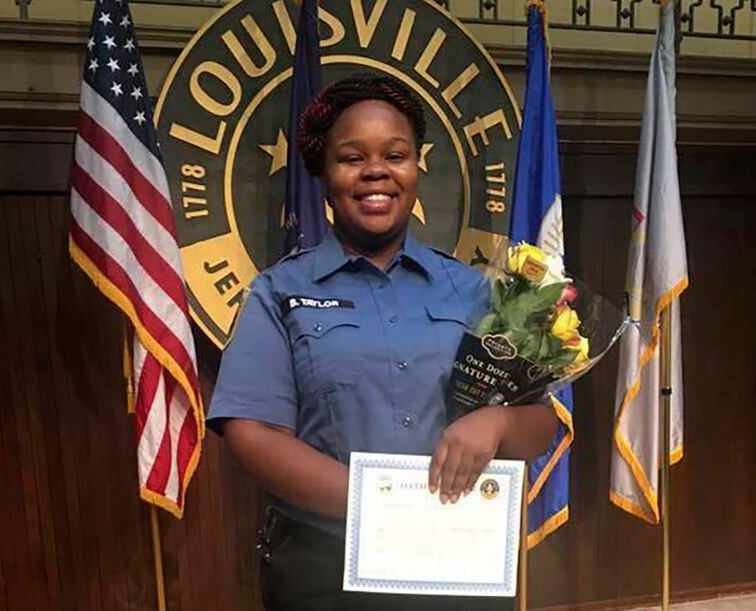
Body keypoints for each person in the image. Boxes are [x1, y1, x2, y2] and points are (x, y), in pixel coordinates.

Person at [207, 73, 558, 611]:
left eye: (395, 155)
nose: (376, 171)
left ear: (416, 167)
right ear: (324, 175)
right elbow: (251, 432)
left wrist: (500, 422)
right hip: (326, 567)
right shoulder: (280, 292)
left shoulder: (474, 290)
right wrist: (382, 505)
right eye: (352, 158)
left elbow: (541, 425)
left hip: (460, 559)